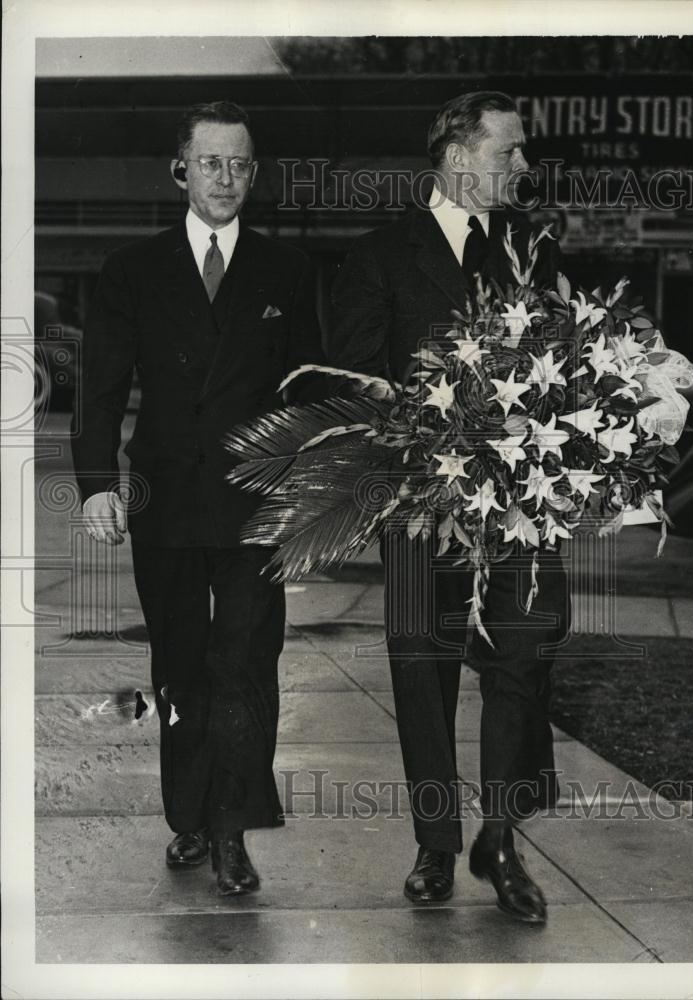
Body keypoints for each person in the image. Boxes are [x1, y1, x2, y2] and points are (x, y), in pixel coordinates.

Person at [328, 91, 570, 924]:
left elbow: (560, 369)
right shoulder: (377, 258)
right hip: (419, 513)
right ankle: (437, 843)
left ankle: (500, 837)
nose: (524, 167)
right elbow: (356, 389)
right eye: (511, 151)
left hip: (520, 513)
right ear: (460, 156)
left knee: (522, 663)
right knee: (421, 673)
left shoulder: (532, 247)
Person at [71, 101, 323, 895]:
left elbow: (310, 394)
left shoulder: (288, 270)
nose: (226, 178)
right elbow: (99, 390)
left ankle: (230, 829)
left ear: (255, 173)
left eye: (240, 163)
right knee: (181, 668)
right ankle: (190, 816)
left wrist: (315, 494)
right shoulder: (130, 271)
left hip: (259, 507)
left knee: (247, 664)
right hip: (168, 503)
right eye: (210, 162)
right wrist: (96, 487)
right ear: (181, 170)